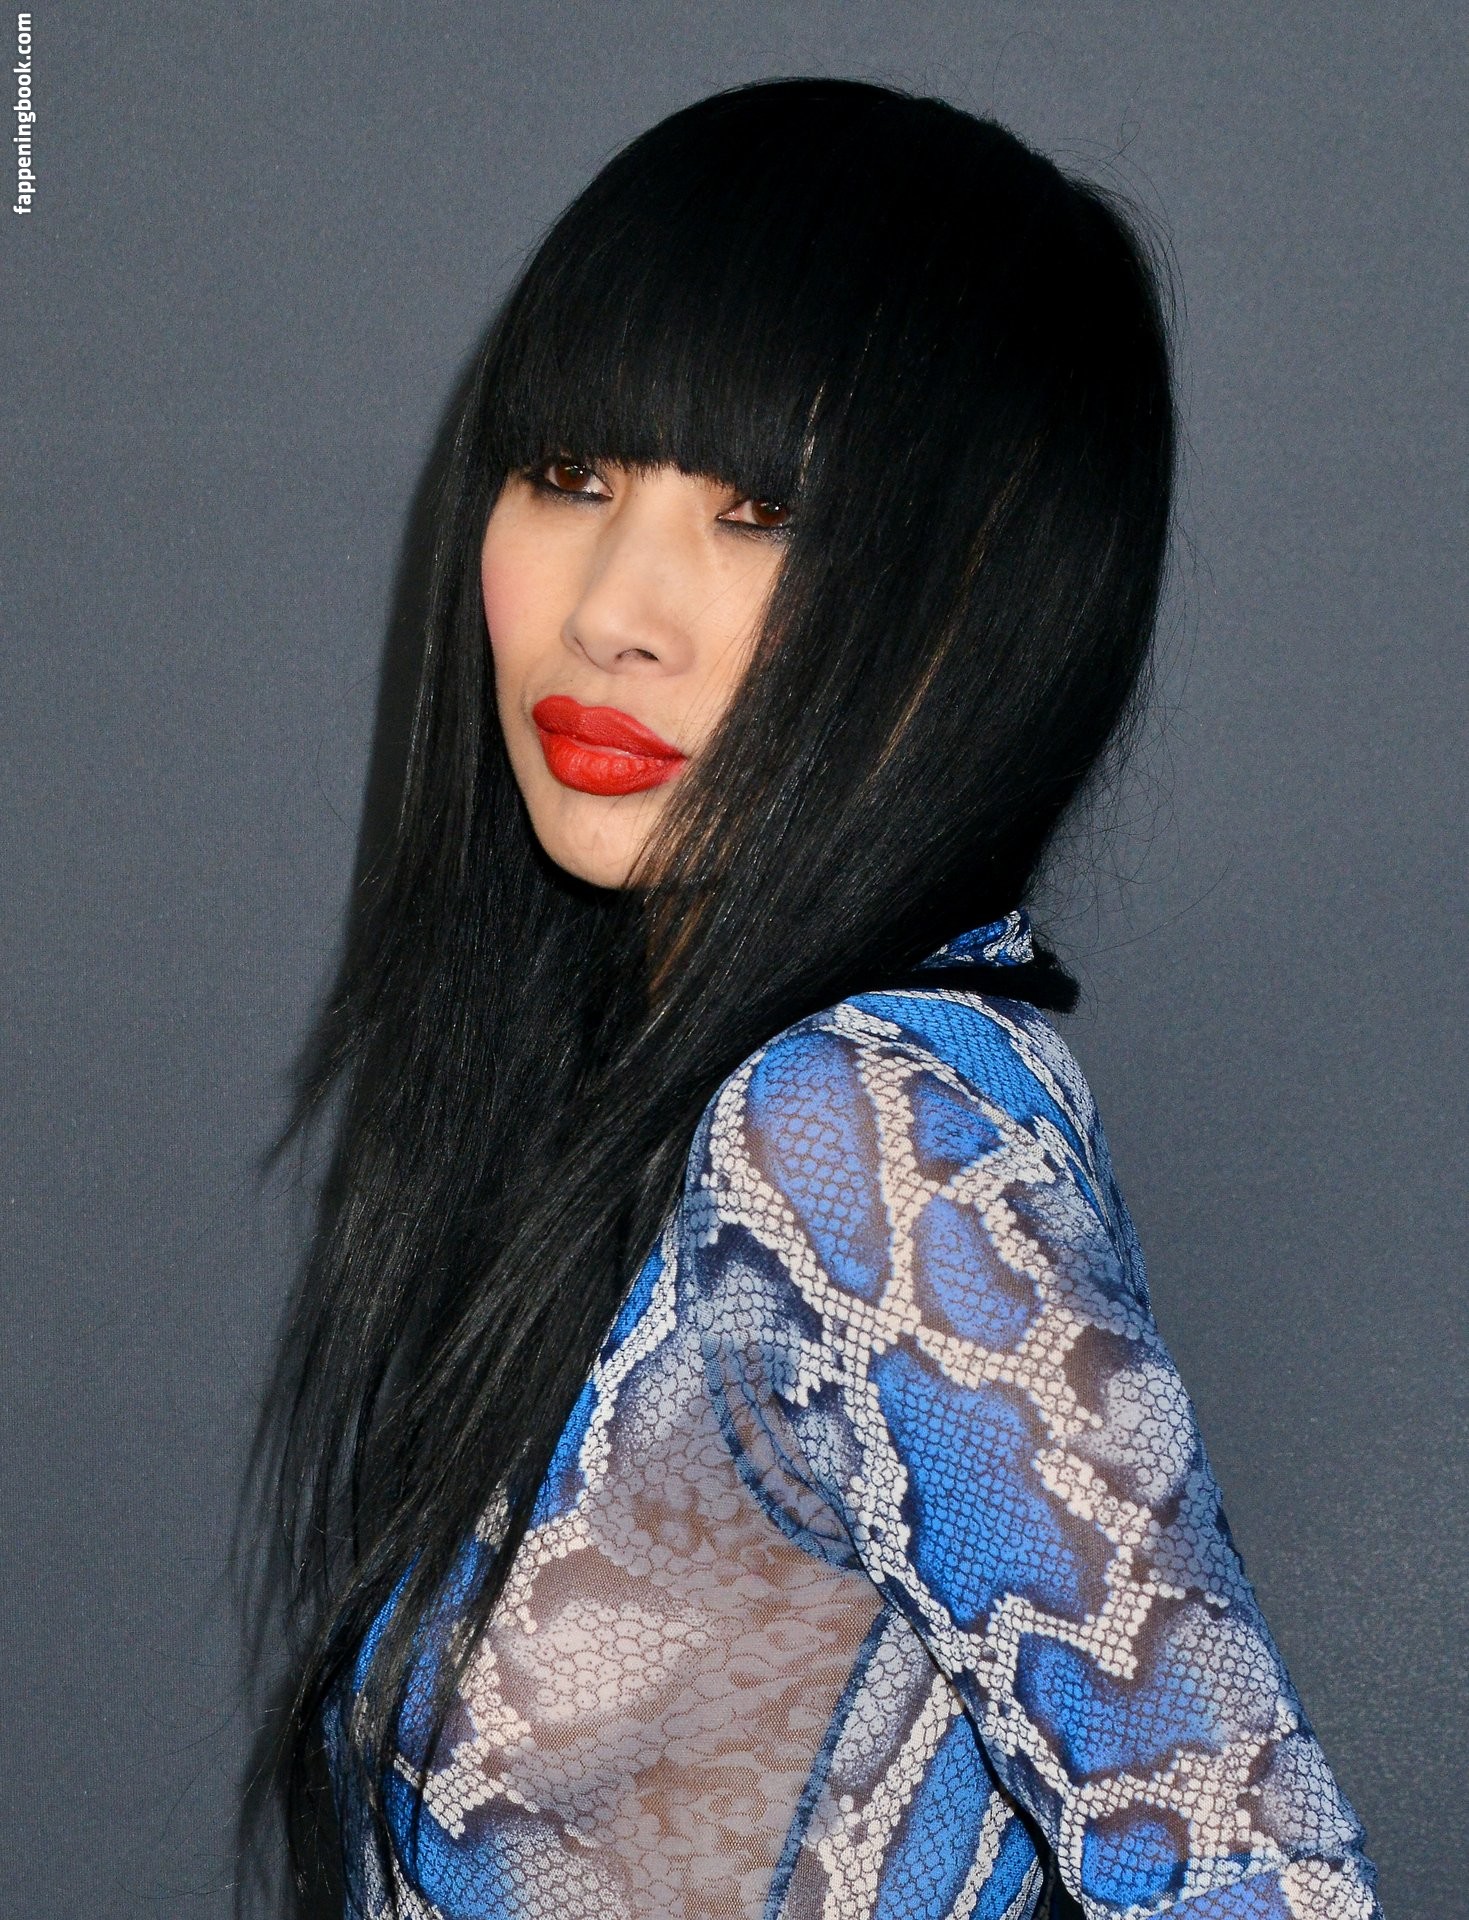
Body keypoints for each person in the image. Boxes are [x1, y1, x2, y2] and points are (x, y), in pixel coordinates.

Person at [275, 78, 1383, 1920]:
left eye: (762, 511)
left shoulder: (863, 1130)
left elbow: (1251, 1877)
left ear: (983, 601)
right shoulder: (660, 1112)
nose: (615, 608)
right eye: (571, 477)